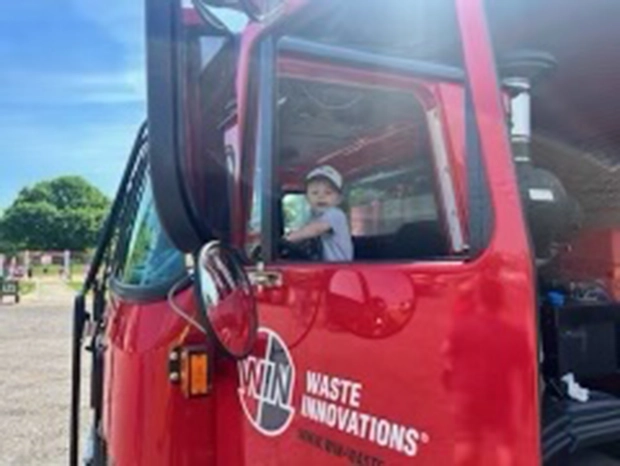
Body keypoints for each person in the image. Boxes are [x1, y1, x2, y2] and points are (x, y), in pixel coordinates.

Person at [284, 165, 353, 262]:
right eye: (315, 193)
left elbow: (315, 229)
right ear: (307, 198)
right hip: (323, 268)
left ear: (338, 199)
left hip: (338, 269)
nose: (321, 197)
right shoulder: (313, 216)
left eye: (328, 193)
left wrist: (287, 239)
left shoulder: (335, 214)